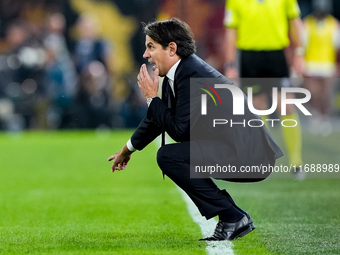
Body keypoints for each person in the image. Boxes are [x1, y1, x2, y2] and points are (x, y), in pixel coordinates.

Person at [108, 18, 283, 241]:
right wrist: (128, 149)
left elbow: (179, 130)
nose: (145, 54)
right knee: (170, 155)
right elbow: (157, 120)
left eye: (151, 46)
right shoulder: (183, 71)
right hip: (240, 149)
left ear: (171, 48)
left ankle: (233, 217)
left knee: (170, 157)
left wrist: (152, 98)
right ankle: (234, 216)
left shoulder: (191, 75)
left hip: (250, 156)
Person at [224, 0, 305, 179]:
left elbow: (295, 22)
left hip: (276, 54)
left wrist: (299, 52)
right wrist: (230, 63)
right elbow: (231, 30)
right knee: (258, 108)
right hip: (249, 57)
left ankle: (296, 162)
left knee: (286, 105)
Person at [303, 0, 339, 136]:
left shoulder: (333, 24)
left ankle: (324, 117)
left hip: (327, 64)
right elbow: (303, 44)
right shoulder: (307, 23)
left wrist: (337, 65)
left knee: (326, 93)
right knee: (313, 93)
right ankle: (315, 116)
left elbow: (337, 47)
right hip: (311, 64)